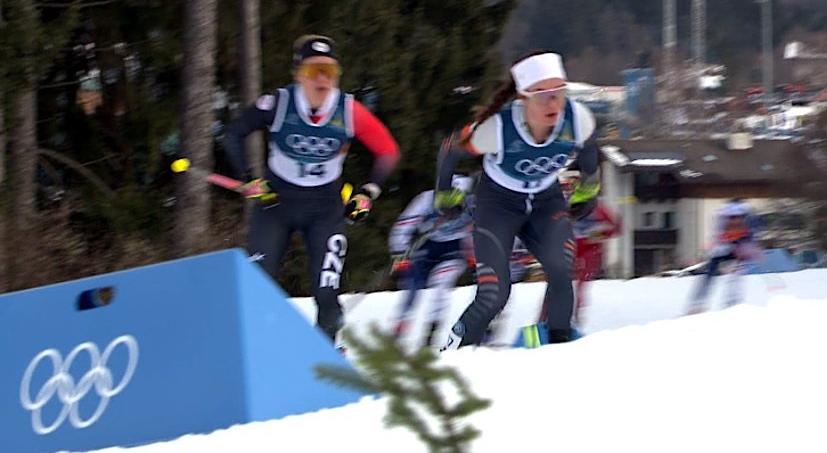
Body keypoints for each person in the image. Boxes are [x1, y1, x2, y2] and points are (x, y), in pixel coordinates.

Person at [224, 34, 400, 341]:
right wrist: (248, 176)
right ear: (298, 75)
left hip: (325, 207)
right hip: (276, 203)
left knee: (326, 292)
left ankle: (327, 355)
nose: (322, 79)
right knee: (257, 283)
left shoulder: (349, 111)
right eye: (313, 70)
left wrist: (368, 191)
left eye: (329, 72)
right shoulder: (277, 104)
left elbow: (387, 150)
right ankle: (256, 352)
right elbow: (234, 134)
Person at [434, 50, 600, 349]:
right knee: (494, 293)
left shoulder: (578, 120)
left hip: (545, 202)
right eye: (542, 96)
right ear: (523, 98)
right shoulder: (497, 129)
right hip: (498, 204)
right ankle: (452, 353)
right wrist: (445, 193)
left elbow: (589, 153)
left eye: (559, 93)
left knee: (562, 273)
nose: (553, 103)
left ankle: (561, 350)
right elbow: (450, 150)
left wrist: (589, 189)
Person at [388, 175, 475, 349]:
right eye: (444, 196)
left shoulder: (474, 205)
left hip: (453, 248)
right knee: (412, 288)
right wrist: (399, 251)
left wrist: (475, 257)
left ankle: (430, 336)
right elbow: (403, 225)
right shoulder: (426, 200)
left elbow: (481, 231)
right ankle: (397, 334)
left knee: (442, 284)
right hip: (424, 246)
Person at [538, 169, 620, 325]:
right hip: (566, 249)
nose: (569, 189)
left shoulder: (595, 206)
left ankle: (573, 322)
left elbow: (615, 227)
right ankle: (543, 320)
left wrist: (595, 235)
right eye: (565, 185)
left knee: (578, 289)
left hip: (588, 251)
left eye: (573, 184)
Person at [685, 199, 761, 315]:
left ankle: (732, 304)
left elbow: (751, 239)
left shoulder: (748, 223)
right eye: (731, 218)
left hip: (739, 251)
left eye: (737, 217)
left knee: (736, 276)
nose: (734, 221)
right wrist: (721, 246)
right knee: (709, 275)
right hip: (722, 250)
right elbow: (717, 238)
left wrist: (747, 249)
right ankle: (697, 305)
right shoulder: (721, 220)